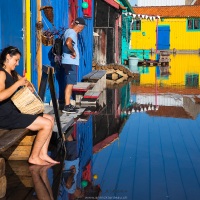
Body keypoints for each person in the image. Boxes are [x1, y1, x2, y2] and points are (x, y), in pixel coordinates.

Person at [0, 46, 60, 166]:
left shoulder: (12, 73)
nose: (17, 64)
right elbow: (1, 96)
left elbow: (24, 81)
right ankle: (34, 157)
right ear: (8, 57)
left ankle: (42, 154)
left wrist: (28, 85)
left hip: (14, 112)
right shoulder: (1, 73)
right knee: (46, 124)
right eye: (16, 60)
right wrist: (17, 84)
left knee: (50, 119)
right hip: (5, 116)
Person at [61, 17, 86, 113]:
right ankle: (67, 106)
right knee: (70, 84)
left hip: (68, 62)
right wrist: (73, 51)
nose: (81, 30)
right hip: (70, 63)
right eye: (82, 28)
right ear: (80, 26)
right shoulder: (72, 33)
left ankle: (68, 104)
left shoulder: (68, 31)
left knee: (69, 83)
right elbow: (68, 42)